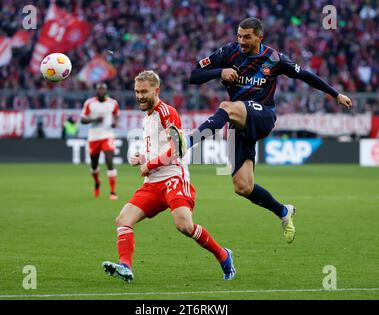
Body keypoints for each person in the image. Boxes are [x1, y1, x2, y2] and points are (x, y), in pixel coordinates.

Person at [171, 17, 353, 244]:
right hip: (240, 122)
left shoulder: (274, 58)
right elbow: (194, 75)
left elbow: (305, 75)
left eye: (247, 37)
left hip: (263, 115)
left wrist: (336, 94)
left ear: (259, 37)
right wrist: (220, 71)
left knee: (226, 107)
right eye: (239, 36)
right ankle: (283, 211)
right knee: (242, 187)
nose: (241, 41)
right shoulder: (229, 52)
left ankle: (188, 142)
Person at [102, 70, 235, 282]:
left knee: (184, 226)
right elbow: (157, 148)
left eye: (144, 91)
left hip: (174, 177)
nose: (140, 96)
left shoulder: (167, 112)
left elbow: (179, 149)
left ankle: (224, 255)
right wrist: (141, 157)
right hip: (153, 183)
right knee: (123, 220)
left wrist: (150, 164)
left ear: (156, 90)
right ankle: (125, 266)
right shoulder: (147, 118)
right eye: (137, 91)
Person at [81, 83, 120, 200]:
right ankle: (97, 182)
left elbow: (116, 115)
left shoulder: (113, 103)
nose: (101, 91)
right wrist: (94, 119)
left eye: (103, 89)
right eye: (99, 89)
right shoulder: (90, 103)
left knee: (109, 160)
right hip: (94, 136)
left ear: (106, 90)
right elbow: (83, 119)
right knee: (94, 165)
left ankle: (113, 192)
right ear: (96, 91)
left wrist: (115, 122)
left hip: (107, 134)